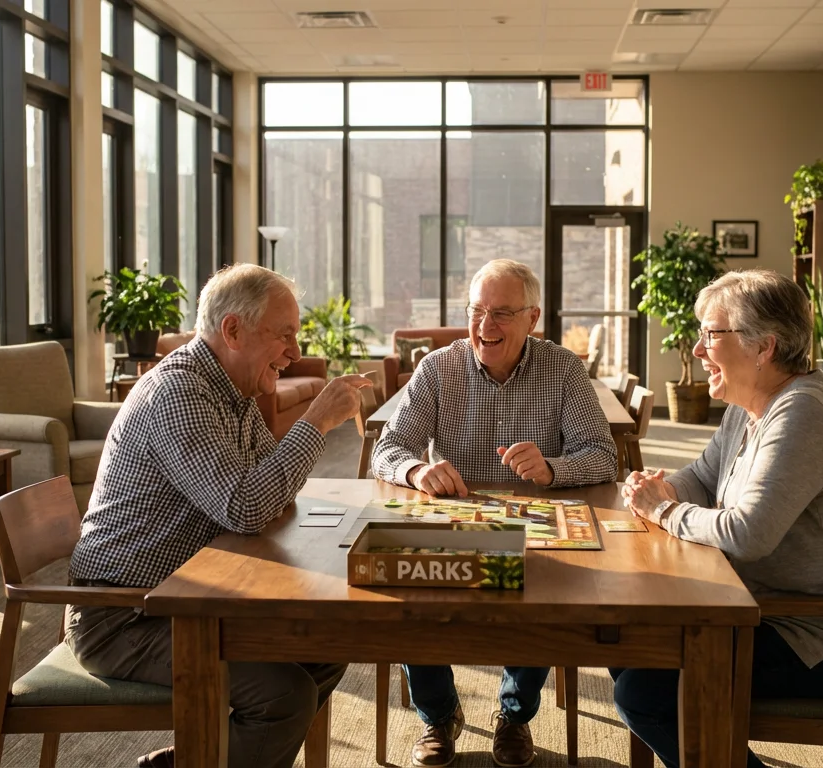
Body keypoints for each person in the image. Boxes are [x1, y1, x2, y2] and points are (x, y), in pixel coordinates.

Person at [66, 264, 372, 768]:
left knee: (323, 647)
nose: (294, 353)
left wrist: (282, 468)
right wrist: (316, 420)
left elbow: (265, 490)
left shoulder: (233, 393)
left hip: (187, 598)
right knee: (284, 696)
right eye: (285, 336)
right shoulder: (180, 394)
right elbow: (247, 507)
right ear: (233, 330)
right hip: (125, 616)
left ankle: (195, 759)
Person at [612, 269, 823, 768]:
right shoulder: (750, 405)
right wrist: (659, 488)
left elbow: (747, 534)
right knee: (629, 646)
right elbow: (704, 478)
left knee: (646, 691)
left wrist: (663, 510)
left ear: (763, 347)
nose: (699, 349)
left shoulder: (803, 413)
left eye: (711, 334)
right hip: (772, 612)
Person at [371, 259, 617, 768]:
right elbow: (387, 451)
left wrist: (553, 468)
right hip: (454, 524)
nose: (486, 326)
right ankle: (437, 716)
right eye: (478, 311)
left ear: (534, 318)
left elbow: (603, 455)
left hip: (536, 530)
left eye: (502, 313)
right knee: (408, 594)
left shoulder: (565, 369)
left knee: (551, 595)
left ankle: (514, 715)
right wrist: (417, 470)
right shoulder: (437, 368)